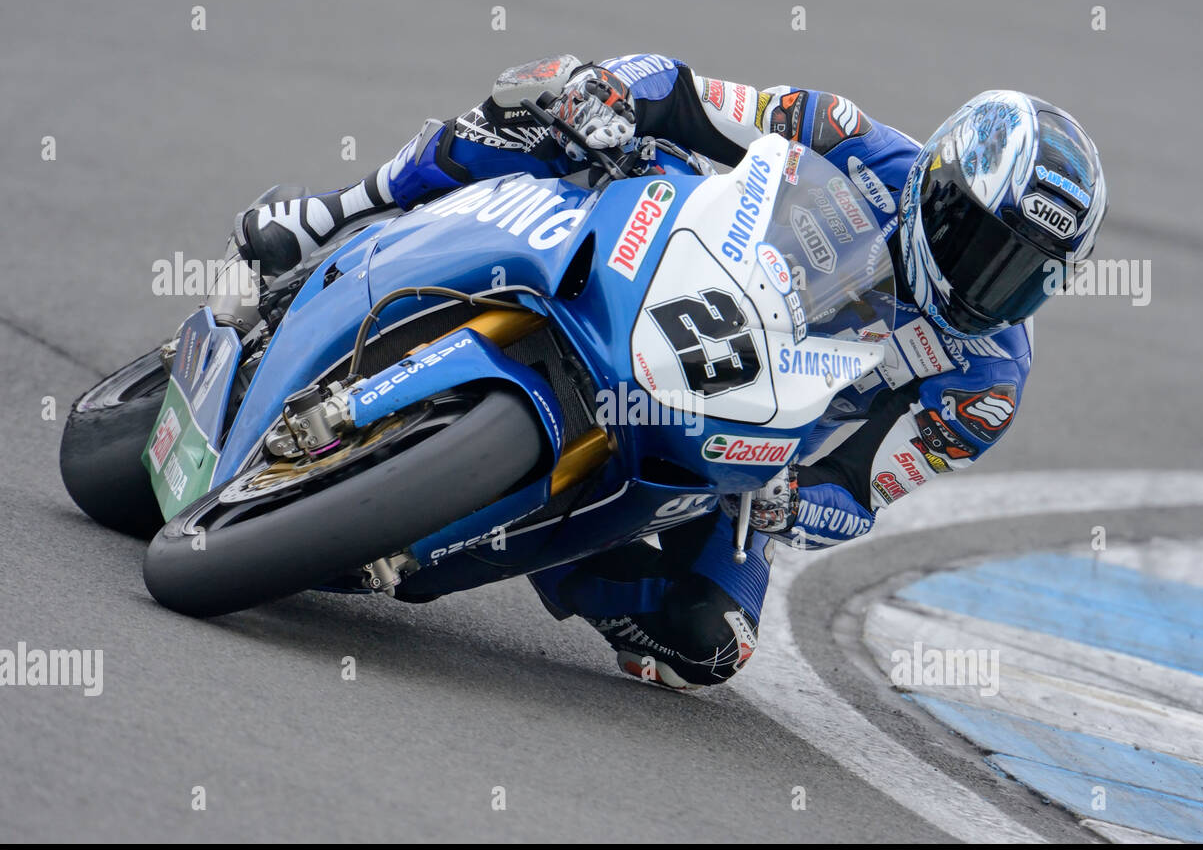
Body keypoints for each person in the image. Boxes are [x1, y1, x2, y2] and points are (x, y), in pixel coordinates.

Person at [236, 53, 1107, 690]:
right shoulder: (848, 137)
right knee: (545, 97)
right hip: (661, 263)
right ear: (944, 184)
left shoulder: (983, 385)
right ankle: (340, 209)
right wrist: (612, 94)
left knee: (713, 642)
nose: (993, 282)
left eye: (1026, 274)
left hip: (742, 433)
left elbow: (860, 493)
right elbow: (687, 92)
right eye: (987, 244)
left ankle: (541, 552)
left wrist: (791, 502)